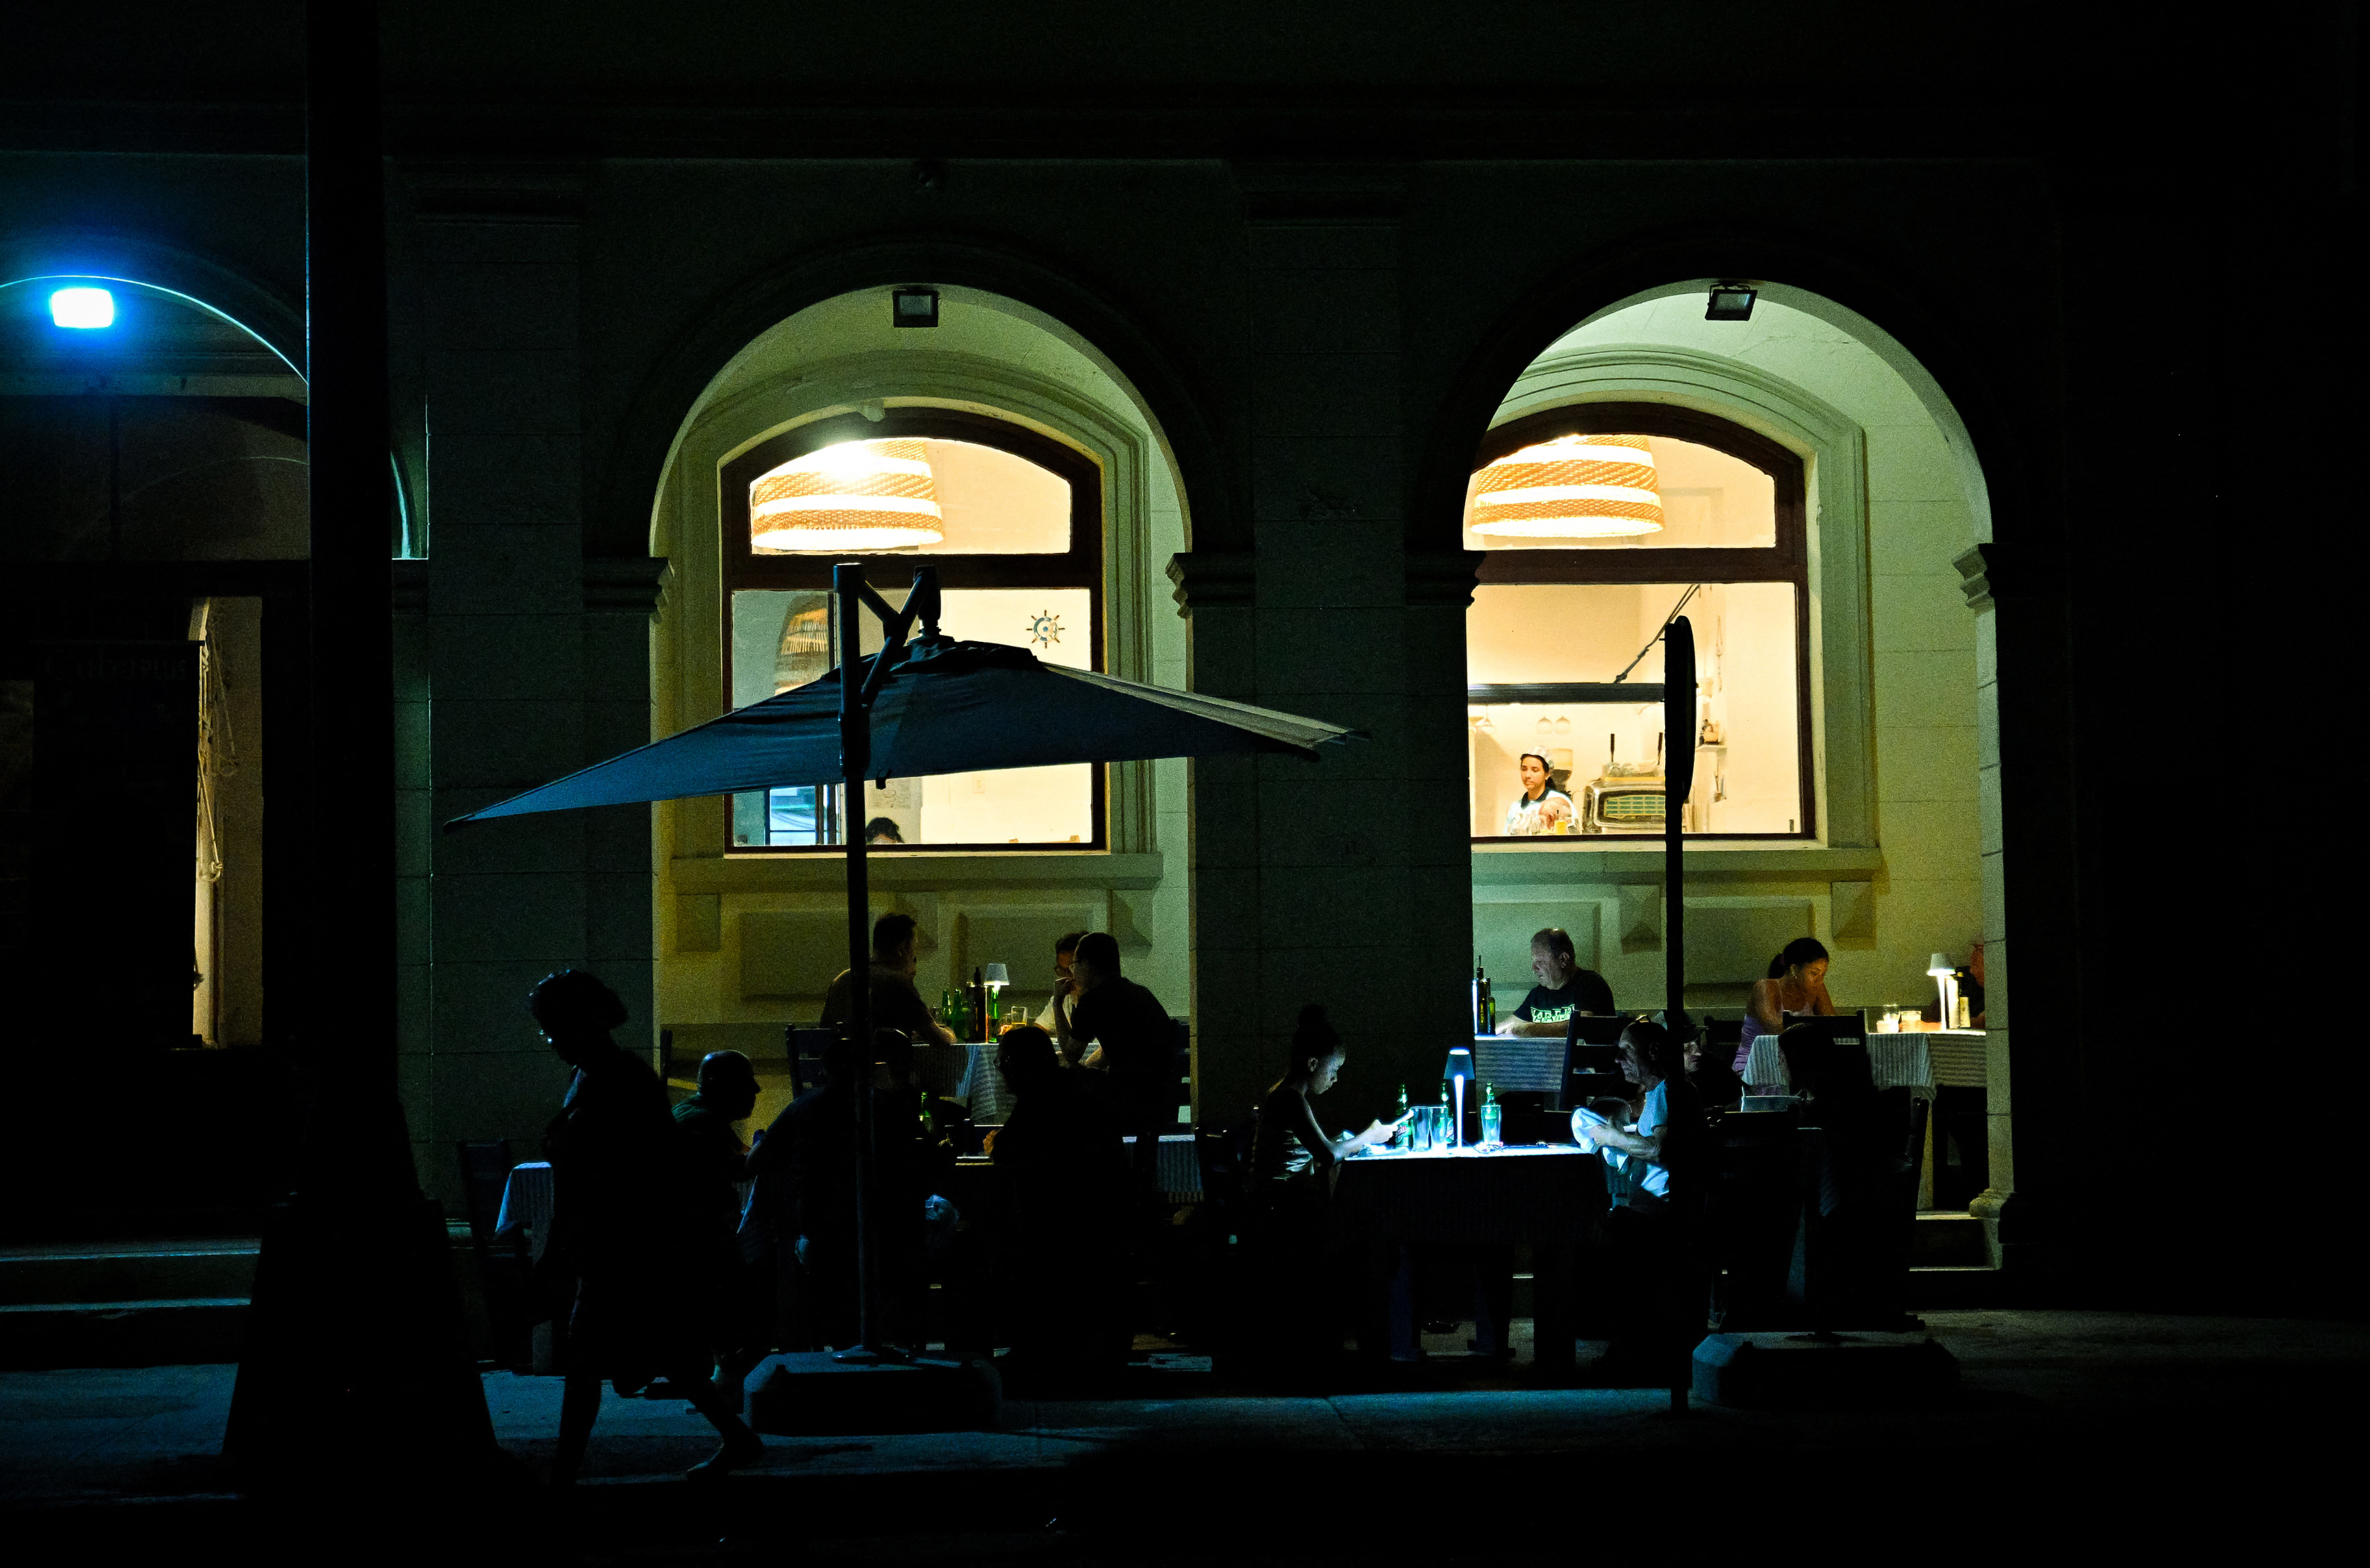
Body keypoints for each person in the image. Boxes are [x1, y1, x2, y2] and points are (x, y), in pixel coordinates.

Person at [529, 970, 762, 1482]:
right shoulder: (604, 1075)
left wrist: (563, 1250)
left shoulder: (613, 1080)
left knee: (593, 1356)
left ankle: (565, 1471)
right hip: (625, 1240)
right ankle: (736, 1436)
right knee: (656, 1349)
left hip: (627, 1241)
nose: (550, 1040)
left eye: (554, 1027)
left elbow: (622, 1170)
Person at [745, 1030, 928, 1349]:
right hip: (885, 1233)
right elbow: (925, 1160)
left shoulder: (803, 1107)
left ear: (823, 1071)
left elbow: (756, 1162)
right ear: (870, 1068)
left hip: (823, 1234)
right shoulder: (889, 1106)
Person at [988, 1024, 1130, 1384]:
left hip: (1066, 1224)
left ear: (1018, 1064)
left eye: (1003, 1061)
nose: (1001, 1070)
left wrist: (996, 1145)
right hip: (1098, 1216)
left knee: (993, 1242)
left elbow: (1008, 1148)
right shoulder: (1071, 1089)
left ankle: (1030, 1345)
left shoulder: (1041, 1096)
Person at [672, 1050, 764, 1394]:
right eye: (746, 1082)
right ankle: (731, 1372)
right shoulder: (700, 1123)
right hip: (698, 1240)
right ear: (716, 1085)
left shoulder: (698, 1115)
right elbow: (739, 1169)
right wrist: (770, 1146)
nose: (756, 1089)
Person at [1062, 932, 1178, 1170]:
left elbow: (1070, 1052)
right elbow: (1117, 1048)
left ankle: (1076, 1166)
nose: (1073, 973)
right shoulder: (1140, 994)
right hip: (1161, 1098)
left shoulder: (1094, 1000)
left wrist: (1057, 1002)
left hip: (1127, 1100)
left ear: (1086, 965)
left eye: (1074, 965)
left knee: (1065, 1079)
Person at [821, 912, 960, 1095]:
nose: (913, 957)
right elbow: (938, 1039)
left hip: (835, 1095)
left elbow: (824, 1033)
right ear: (902, 949)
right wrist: (949, 1033)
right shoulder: (897, 984)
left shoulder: (842, 980)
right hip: (882, 1100)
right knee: (952, 1114)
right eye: (914, 949)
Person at [1738, 936, 1833, 1082]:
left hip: (1796, 1066)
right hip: (1755, 1065)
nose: (1819, 980)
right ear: (1794, 969)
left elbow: (1833, 1024)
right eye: (1814, 974)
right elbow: (1774, 1028)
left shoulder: (1817, 989)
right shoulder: (1766, 988)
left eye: (1823, 975)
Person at [1495, 927, 1615, 1036]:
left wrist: (1533, 1029)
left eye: (1540, 962)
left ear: (1563, 959)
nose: (1534, 968)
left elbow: (1583, 1025)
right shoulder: (1538, 995)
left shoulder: (1591, 985)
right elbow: (1512, 1023)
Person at [1034, 930, 1086, 1063]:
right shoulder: (1065, 997)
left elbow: (1072, 1053)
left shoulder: (1102, 997)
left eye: (1071, 969)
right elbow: (1039, 1030)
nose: (1067, 976)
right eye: (1061, 970)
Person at [1504, 751, 1575, 836]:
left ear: (1547, 774)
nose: (1527, 775)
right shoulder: (1515, 807)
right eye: (1524, 769)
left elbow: (1573, 835)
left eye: (1535, 770)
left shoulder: (1559, 801)